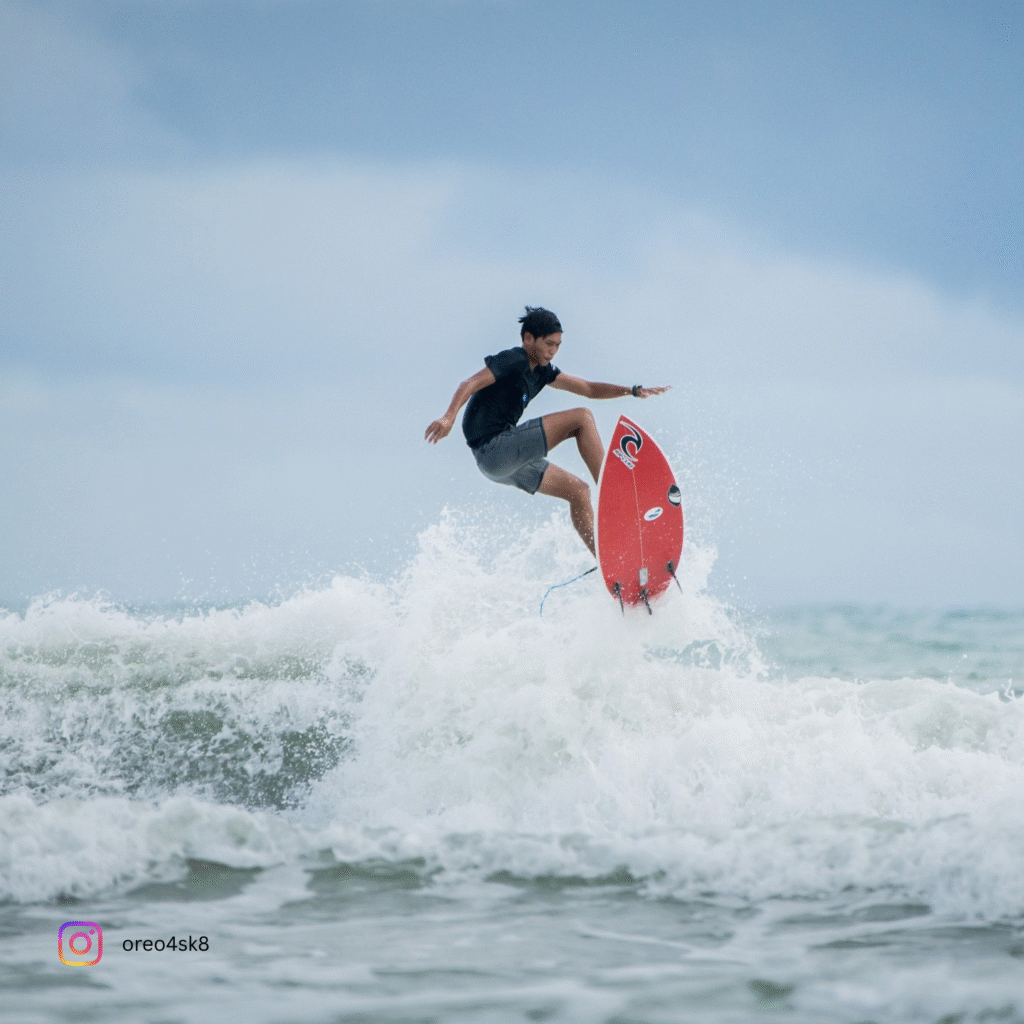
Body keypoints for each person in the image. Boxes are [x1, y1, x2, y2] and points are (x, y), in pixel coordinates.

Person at [424, 306, 670, 555]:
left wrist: (631, 390)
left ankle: (608, 559)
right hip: (495, 447)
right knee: (581, 418)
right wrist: (448, 417)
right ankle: (616, 500)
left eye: (558, 345)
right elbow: (471, 382)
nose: (553, 351)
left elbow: (588, 388)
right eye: (548, 343)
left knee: (578, 491)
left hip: (496, 465)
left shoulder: (543, 372)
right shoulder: (515, 359)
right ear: (528, 338)